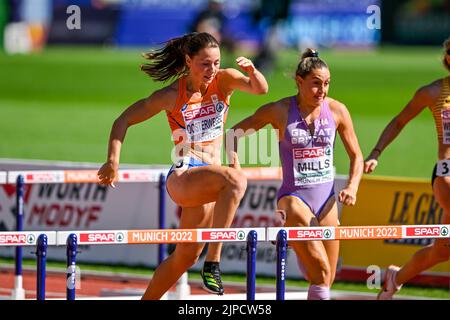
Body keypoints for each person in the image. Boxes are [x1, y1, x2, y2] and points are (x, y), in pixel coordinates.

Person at [97, 32, 268, 299]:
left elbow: (260, 89)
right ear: (188, 60)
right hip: (184, 175)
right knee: (236, 180)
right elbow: (123, 120)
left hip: (210, 179)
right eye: (204, 64)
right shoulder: (169, 96)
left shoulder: (224, 80)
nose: (211, 70)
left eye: (216, 62)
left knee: (185, 257)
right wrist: (112, 160)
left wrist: (252, 70)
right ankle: (213, 263)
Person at [225, 48, 364, 300]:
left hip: (327, 202)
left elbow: (357, 156)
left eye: (327, 84)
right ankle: (297, 240)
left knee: (325, 280)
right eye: (316, 84)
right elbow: (232, 136)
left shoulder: (337, 111)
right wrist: (235, 166)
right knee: (321, 272)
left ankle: (301, 250)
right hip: (293, 199)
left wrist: (353, 186)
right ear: (299, 82)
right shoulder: (279, 111)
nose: (322, 90)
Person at [364, 37, 450, 300]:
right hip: (447, 173)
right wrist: (376, 152)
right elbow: (400, 121)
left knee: (442, 251)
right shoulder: (434, 92)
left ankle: (395, 278)